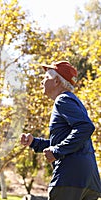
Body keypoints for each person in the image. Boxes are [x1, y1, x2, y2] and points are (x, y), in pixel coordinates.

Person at [20, 61, 101, 200]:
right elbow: (70, 141)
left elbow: (85, 127)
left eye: (45, 78)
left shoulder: (62, 100)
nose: (42, 82)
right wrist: (35, 143)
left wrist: (57, 151)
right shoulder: (74, 102)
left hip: (70, 179)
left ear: (56, 81)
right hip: (89, 182)